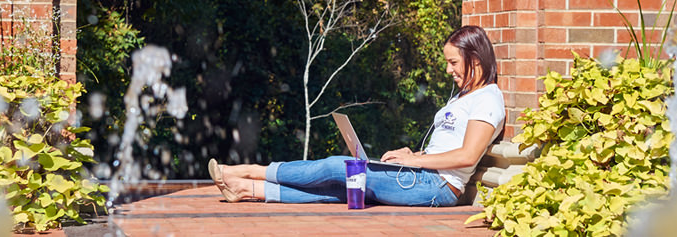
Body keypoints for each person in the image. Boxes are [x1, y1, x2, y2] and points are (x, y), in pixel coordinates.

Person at [208, 25, 504, 207]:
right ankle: (247, 190)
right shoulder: (464, 95)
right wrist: (412, 153)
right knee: (342, 189)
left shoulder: (488, 99)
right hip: (424, 175)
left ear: (474, 59)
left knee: (340, 167)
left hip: (437, 188)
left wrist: (415, 161)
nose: (448, 70)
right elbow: (447, 145)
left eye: (453, 62)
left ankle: (246, 171)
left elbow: (467, 155)